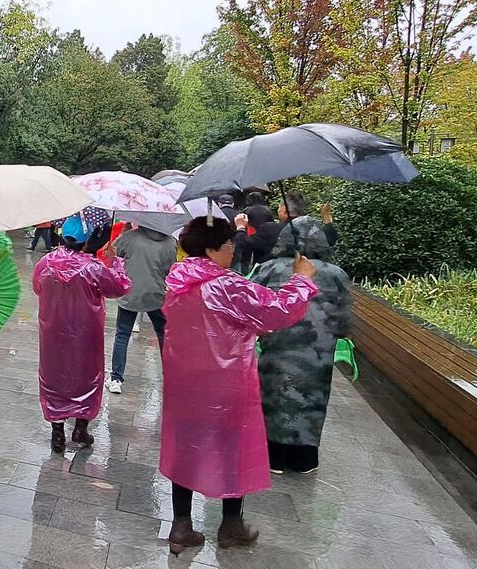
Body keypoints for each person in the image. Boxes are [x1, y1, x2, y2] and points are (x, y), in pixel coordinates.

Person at [159, 216, 318, 553]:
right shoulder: (226, 284)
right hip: (225, 383)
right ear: (212, 248)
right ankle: (231, 524)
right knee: (232, 448)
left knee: (185, 445)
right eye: (229, 243)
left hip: (184, 383)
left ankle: (180, 526)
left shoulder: (179, 280)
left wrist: (246, 327)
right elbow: (276, 310)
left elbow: (212, 322)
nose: (234, 249)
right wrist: (301, 280)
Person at [252, 215, 352, 475]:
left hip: (277, 347)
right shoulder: (337, 274)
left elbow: (252, 307)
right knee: (312, 400)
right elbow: (344, 321)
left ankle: (273, 457)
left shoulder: (269, 268)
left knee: (273, 396)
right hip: (318, 354)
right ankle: (303, 459)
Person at [33, 215, 131, 453]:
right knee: (87, 376)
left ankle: (57, 432)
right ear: (88, 241)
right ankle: (81, 427)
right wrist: (113, 262)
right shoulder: (94, 268)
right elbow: (119, 288)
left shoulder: (45, 263)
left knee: (53, 376)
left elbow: (37, 287)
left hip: (53, 332)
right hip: (87, 333)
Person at [107, 223, 177, 394]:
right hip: (156, 293)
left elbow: (115, 254)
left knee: (123, 334)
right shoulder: (170, 242)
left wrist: (120, 238)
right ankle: (170, 376)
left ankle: (116, 378)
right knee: (162, 334)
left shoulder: (130, 237)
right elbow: (168, 268)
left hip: (130, 292)